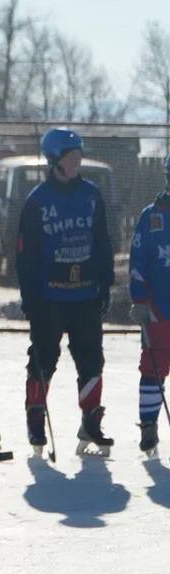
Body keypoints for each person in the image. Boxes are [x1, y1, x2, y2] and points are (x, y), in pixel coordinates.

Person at [17, 128, 114, 458]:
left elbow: (102, 240)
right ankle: (34, 417)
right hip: (49, 298)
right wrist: (29, 296)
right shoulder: (38, 201)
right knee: (44, 359)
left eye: (79, 157)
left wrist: (106, 281)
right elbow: (25, 253)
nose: (77, 162)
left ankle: (91, 419)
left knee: (91, 359)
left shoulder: (91, 194)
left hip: (85, 295)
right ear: (55, 160)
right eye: (72, 157)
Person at [130, 154, 170, 458]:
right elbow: (138, 261)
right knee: (153, 366)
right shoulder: (151, 216)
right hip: (159, 307)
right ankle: (148, 425)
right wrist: (140, 300)